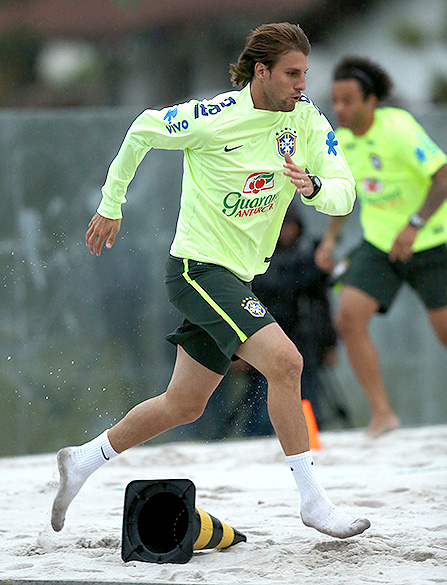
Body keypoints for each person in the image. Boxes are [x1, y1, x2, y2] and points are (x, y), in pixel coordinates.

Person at [51, 23, 370, 540]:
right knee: (287, 363)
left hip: (239, 277)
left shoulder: (306, 122)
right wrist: (112, 205)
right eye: (292, 74)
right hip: (197, 270)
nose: (301, 84)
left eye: (305, 74)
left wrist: (311, 185)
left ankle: (83, 459)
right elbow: (143, 129)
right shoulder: (216, 116)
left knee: (184, 404)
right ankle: (314, 503)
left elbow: (344, 193)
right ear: (261, 72)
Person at [315, 57, 447, 438]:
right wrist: (330, 239)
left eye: (348, 101)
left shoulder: (399, 129)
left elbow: (442, 178)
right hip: (379, 245)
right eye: (334, 100)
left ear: (371, 101)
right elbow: (345, 194)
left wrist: (414, 225)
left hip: (431, 242)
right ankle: (382, 414)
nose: (339, 108)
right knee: (348, 318)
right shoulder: (338, 143)